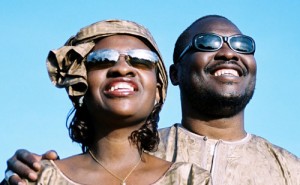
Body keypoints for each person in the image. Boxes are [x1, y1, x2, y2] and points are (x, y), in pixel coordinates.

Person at [4, 15, 300, 184]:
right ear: (172, 75)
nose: (228, 53)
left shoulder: (290, 169)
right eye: (207, 43)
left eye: (242, 45)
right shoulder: (134, 146)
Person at [2, 19, 211, 185]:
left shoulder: (191, 179)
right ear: (80, 85)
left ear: (157, 91)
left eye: (141, 60)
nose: (122, 68)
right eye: (102, 60)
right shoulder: (39, 178)